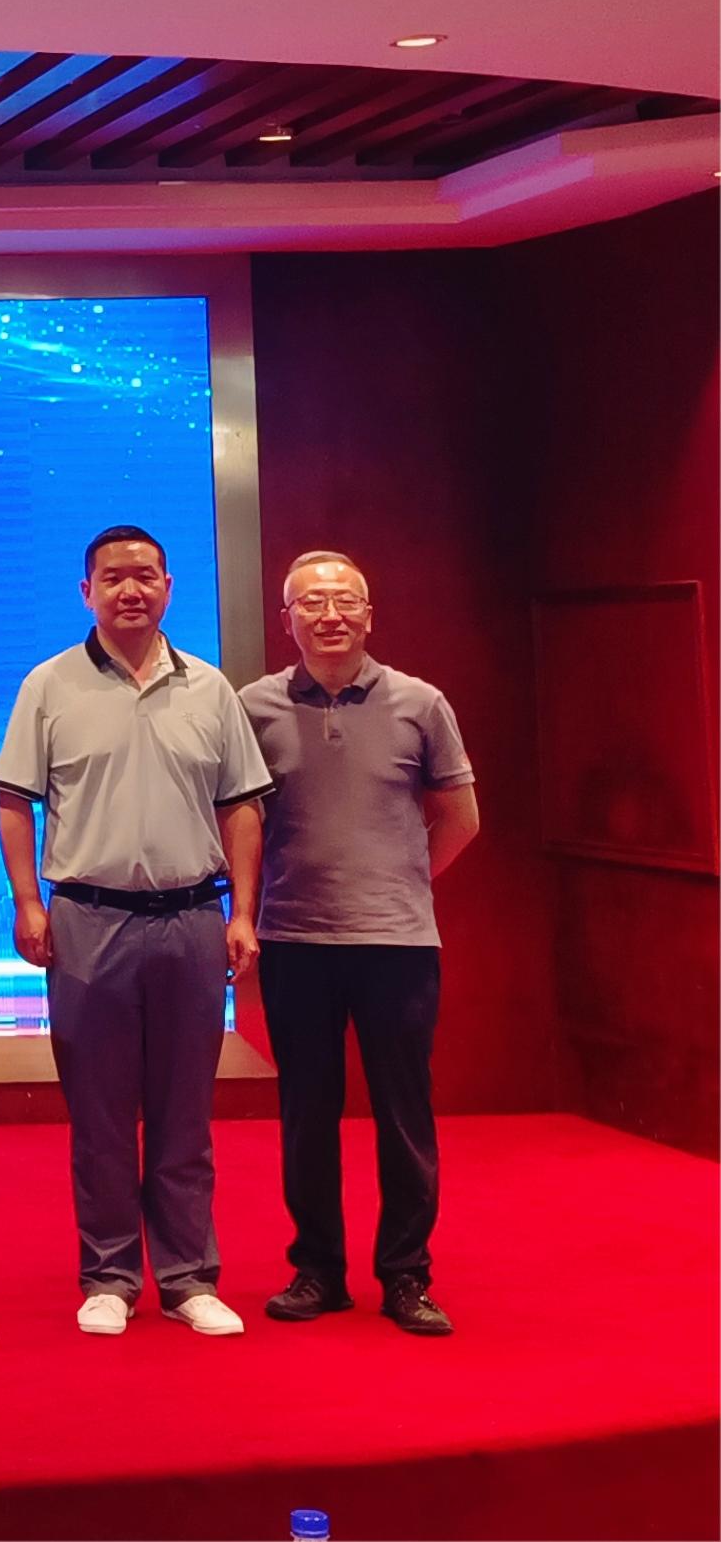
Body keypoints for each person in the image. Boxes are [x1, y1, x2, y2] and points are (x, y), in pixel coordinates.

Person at [0, 525, 273, 1340]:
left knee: (184, 1112)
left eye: (144, 576)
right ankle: (109, 1275)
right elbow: (14, 801)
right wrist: (27, 902)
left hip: (191, 920)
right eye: (112, 577)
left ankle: (188, 1278)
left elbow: (240, 807)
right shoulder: (48, 685)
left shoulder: (209, 688)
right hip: (88, 919)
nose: (130, 590)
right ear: (86, 592)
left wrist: (242, 912)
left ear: (167, 586)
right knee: (101, 1114)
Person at [241, 551, 480, 1338]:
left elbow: (460, 817)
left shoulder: (420, 703)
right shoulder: (252, 707)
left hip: (397, 945)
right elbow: (238, 822)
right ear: (286, 619)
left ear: (368, 615)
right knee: (305, 1111)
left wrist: (402, 880)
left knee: (402, 1111)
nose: (329, 614)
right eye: (310, 603)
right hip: (293, 938)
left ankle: (405, 1274)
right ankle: (316, 1270)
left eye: (344, 600)